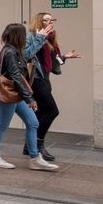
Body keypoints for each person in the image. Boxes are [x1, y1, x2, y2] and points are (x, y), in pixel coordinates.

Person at [0, 22, 58, 170]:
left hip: (15, 93)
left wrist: (40, 38)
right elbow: (16, 76)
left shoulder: (15, 50)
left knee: (33, 123)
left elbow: (28, 53)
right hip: (7, 93)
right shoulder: (10, 52)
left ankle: (35, 158)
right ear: (19, 36)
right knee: (2, 125)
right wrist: (30, 99)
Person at [23, 12, 79, 161]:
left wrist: (64, 58)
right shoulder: (31, 36)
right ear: (38, 23)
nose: (50, 22)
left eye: (51, 20)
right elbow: (26, 55)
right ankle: (38, 144)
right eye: (46, 20)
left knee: (39, 114)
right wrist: (40, 38)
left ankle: (29, 146)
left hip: (45, 79)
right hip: (35, 79)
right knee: (52, 111)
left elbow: (54, 65)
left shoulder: (51, 40)